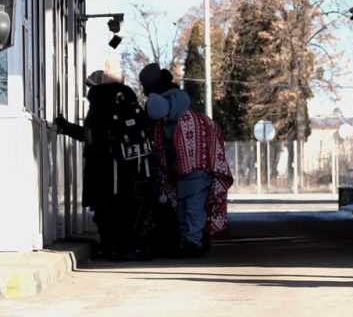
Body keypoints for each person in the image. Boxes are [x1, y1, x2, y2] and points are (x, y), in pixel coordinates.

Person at [56, 57, 154, 261]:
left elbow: (92, 135)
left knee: (105, 208)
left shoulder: (99, 104)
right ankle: (127, 246)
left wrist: (66, 127)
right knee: (128, 207)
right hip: (133, 167)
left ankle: (112, 246)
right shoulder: (129, 99)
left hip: (102, 169)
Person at [145, 88, 232, 258]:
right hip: (181, 174)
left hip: (198, 173)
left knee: (194, 209)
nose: (161, 122)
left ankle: (194, 242)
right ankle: (189, 241)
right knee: (183, 209)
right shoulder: (168, 123)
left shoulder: (189, 120)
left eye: (162, 118)